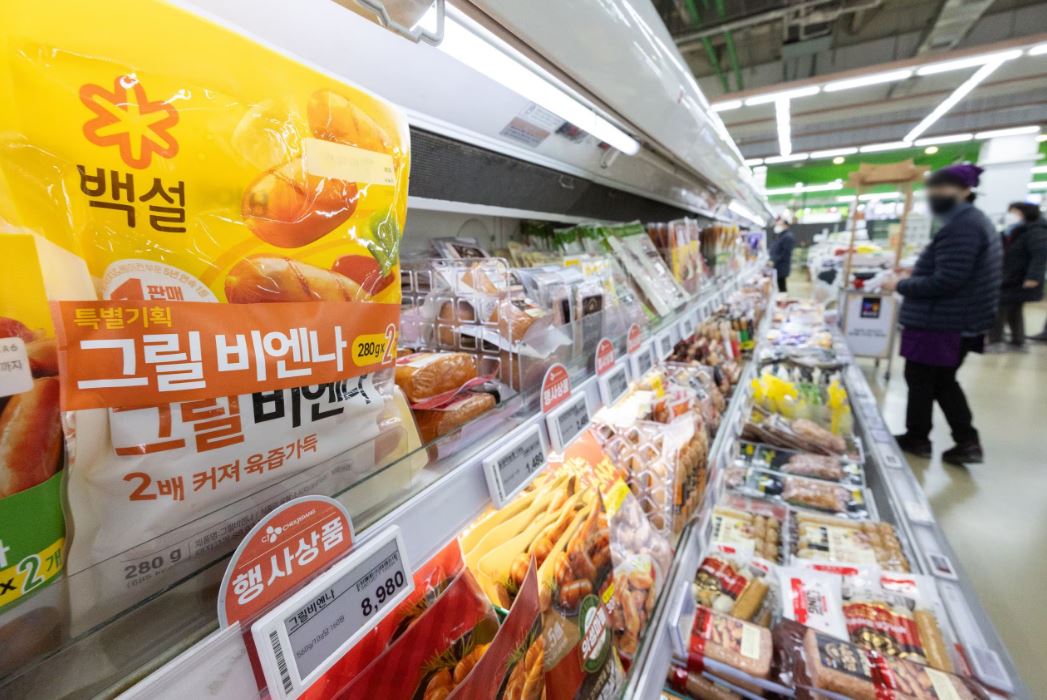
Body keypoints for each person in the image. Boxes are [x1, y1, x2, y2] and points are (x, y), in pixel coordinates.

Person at [882, 164, 1002, 466]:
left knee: (925, 379)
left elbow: (948, 279)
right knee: (941, 381)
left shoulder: (963, 226)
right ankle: (961, 440)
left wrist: (900, 284)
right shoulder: (972, 221)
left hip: (942, 322)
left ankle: (923, 438)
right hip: (954, 319)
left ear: (965, 190)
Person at [987, 202, 1047, 350]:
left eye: (1014, 212)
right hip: (1009, 275)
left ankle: (996, 341)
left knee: (1000, 306)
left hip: (1019, 276)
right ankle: (1017, 341)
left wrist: (1033, 277)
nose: (1011, 215)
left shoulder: (1036, 231)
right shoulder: (1014, 230)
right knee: (1013, 308)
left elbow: (1039, 255)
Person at [769, 216, 796, 293]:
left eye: (780, 224)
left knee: (781, 285)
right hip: (778, 265)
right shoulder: (781, 235)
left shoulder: (788, 237)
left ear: (786, 225)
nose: (777, 225)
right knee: (780, 284)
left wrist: (774, 260)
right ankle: (782, 297)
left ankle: (783, 298)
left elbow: (785, 253)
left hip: (781, 265)